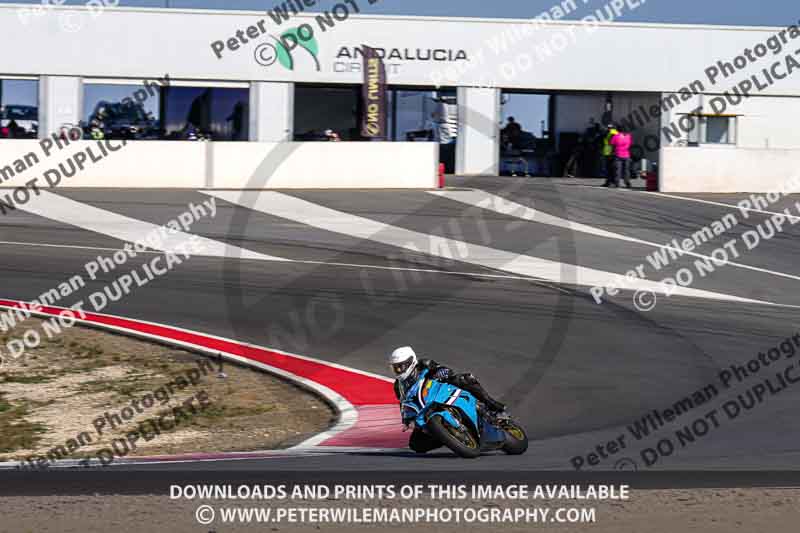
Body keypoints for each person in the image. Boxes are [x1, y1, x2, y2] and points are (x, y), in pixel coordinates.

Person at [388, 346, 507, 453]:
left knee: (465, 379)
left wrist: (441, 373)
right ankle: (447, 437)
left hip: (442, 391)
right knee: (415, 444)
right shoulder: (398, 386)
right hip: (426, 408)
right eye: (395, 367)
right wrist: (406, 419)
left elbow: (443, 369)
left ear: (411, 362)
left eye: (401, 366)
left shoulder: (424, 364)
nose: (398, 370)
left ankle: (491, 403)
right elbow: (403, 403)